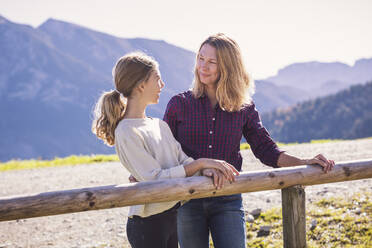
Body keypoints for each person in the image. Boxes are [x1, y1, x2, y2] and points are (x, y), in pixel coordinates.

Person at [163, 33, 335, 248]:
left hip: (228, 198)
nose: (203, 66)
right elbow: (165, 152)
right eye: (200, 58)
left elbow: (266, 149)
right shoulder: (179, 104)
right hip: (186, 199)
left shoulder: (243, 108)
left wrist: (304, 162)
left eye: (212, 62)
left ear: (227, 67)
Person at [91, 52, 239, 248]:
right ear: (141, 85)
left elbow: (183, 160)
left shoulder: (159, 125)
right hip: (147, 225)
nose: (162, 85)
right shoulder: (126, 132)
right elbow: (155, 179)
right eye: (157, 79)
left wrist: (205, 171)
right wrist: (202, 162)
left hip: (172, 216)